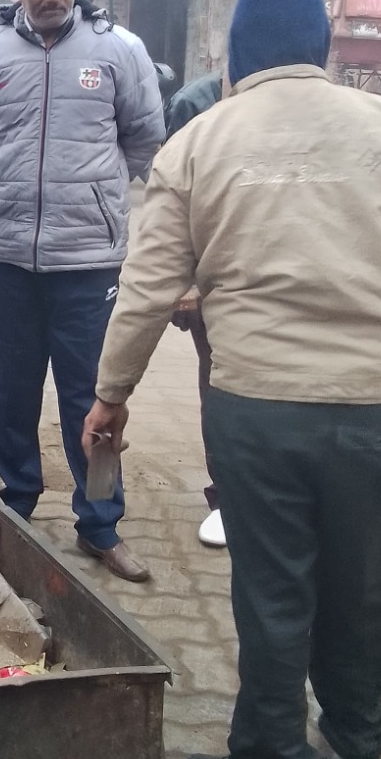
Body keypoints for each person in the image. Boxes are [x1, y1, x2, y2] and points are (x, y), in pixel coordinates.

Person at [84, 0, 381, 759]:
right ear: (323, 47)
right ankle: (360, 737)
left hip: (255, 405)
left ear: (236, 53)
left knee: (274, 586)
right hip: (371, 402)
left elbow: (145, 293)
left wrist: (111, 398)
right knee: (364, 573)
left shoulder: (201, 143)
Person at [0, 0, 164, 583]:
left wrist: (97, 197)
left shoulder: (119, 52)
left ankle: (100, 523)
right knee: (11, 393)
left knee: (93, 399)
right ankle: (14, 506)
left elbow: (145, 139)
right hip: (11, 255)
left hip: (90, 260)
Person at [163, 69, 226, 548]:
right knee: (219, 381)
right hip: (216, 281)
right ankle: (226, 497)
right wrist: (181, 285)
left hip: (286, 282)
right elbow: (174, 204)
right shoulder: (194, 105)